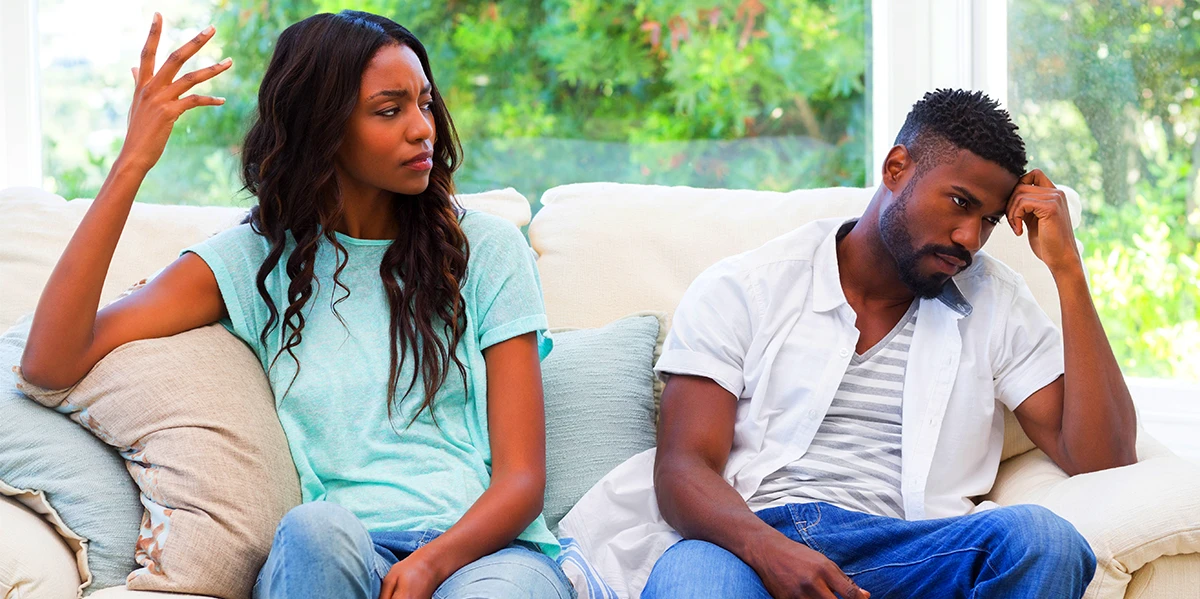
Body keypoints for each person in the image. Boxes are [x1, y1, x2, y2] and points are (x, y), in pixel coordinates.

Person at [20, 10, 573, 599]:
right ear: (323, 128)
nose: (423, 129)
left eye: (426, 103)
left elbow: (521, 479)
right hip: (338, 551)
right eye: (390, 110)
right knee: (315, 530)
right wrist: (132, 163)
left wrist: (431, 565)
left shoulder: (486, 249)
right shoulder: (254, 261)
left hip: (483, 556)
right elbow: (51, 361)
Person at [559, 89, 1136, 599]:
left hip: (911, 550)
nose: (969, 238)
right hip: (750, 539)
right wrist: (772, 553)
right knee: (697, 582)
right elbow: (683, 469)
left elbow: (1101, 458)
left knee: (1042, 540)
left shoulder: (996, 302)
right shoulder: (748, 288)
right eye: (960, 203)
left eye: (987, 221)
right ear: (895, 168)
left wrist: (1067, 271)